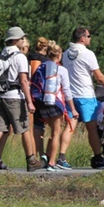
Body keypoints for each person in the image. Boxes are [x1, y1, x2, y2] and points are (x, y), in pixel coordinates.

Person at [0, 26, 43, 172]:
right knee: (24, 129)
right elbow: (23, 81)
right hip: (15, 98)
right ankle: (31, 160)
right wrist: (29, 101)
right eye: (22, 38)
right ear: (16, 40)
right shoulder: (20, 57)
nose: (23, 40)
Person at [62, 27, 104, 169]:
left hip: (70, 95)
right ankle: (98, 158)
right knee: (92, 128)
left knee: (70, 126)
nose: (90, 38)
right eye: (89, 36)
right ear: (82, 38)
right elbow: (99, 77)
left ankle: (61, 156)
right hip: (85, 94)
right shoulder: (87, 54)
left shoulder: (66, 54)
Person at [35, 41, 75, 171]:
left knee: (51, 132)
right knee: (55, 133)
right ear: (59, 55)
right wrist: (73, 109)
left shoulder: (41, 67)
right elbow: (67, 91)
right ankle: (52, 162)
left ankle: (46, 157)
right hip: (55, 103)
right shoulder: (62, 70)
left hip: (42, 104)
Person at [29, 37, 50, 162]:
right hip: (38, 95)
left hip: (32, 94)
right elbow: (34, 75)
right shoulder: (39, 59)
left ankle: (37, 154)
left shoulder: (29, 57)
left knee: (36, 125)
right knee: (38, 125)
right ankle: (39, 154)